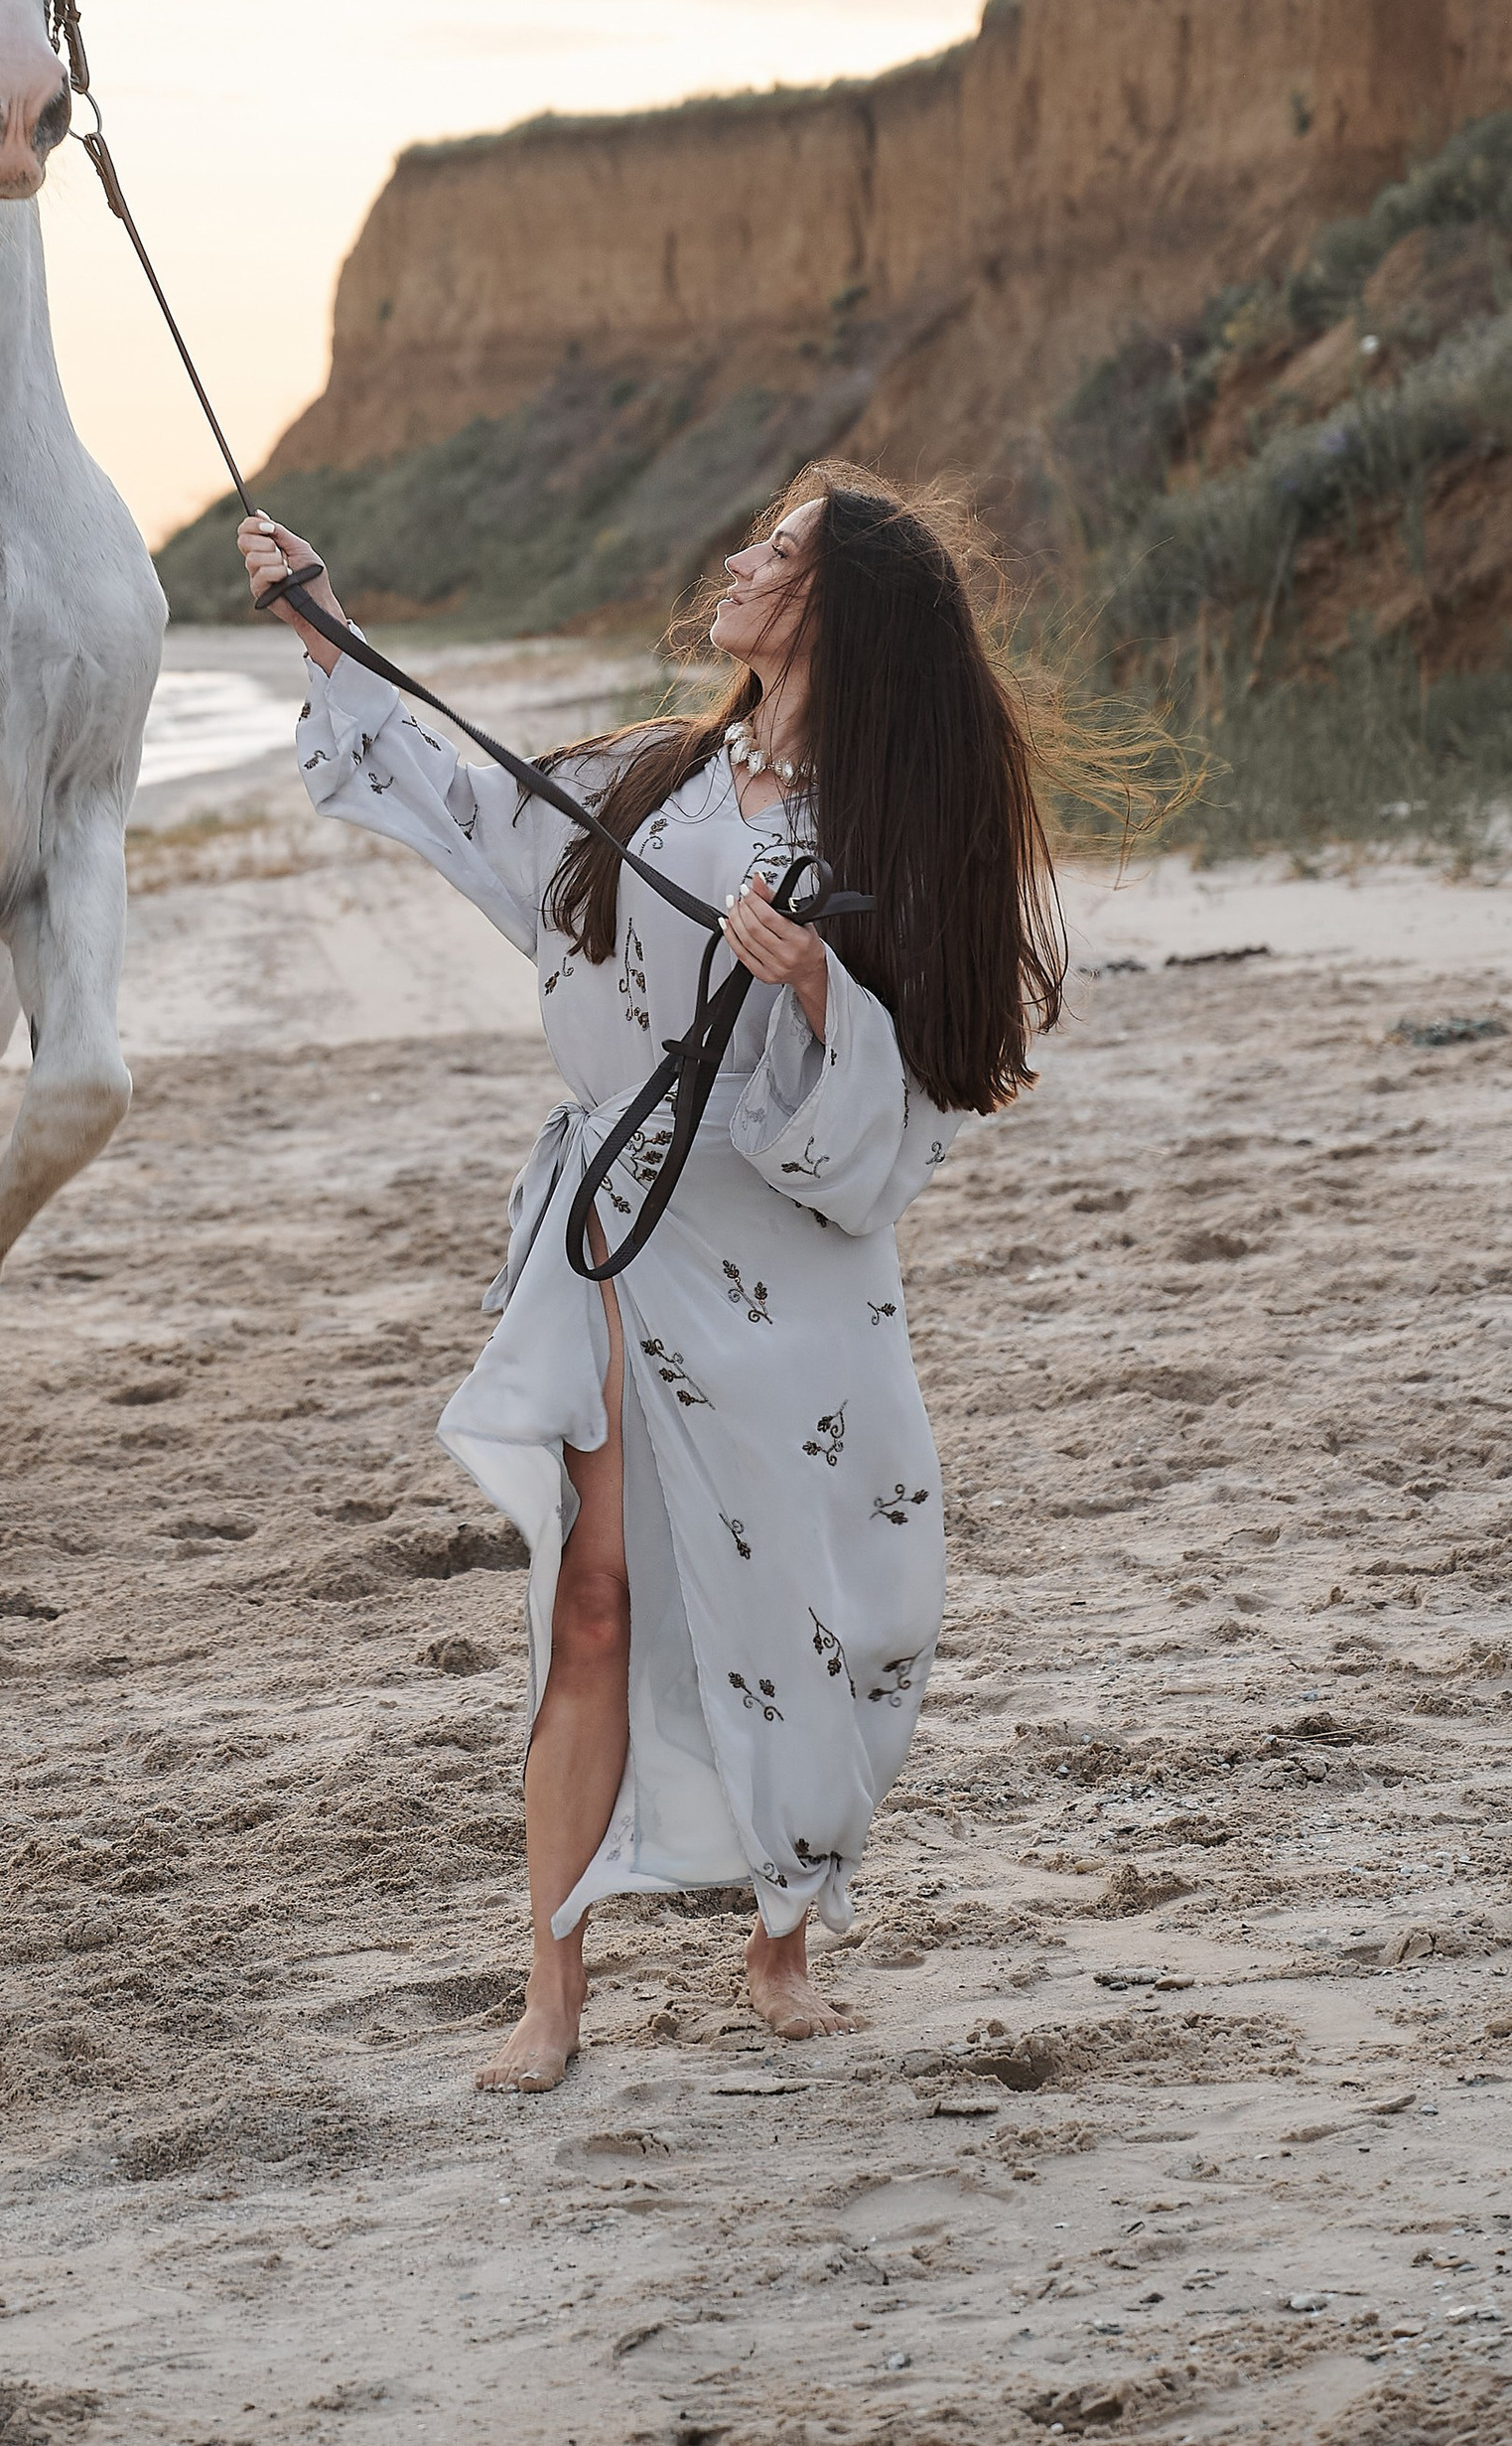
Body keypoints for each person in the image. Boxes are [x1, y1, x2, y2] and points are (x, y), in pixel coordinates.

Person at [237, 468, 1064, 2091]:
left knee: (808, 1607)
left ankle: (782, 1945)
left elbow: (915, 1111)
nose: (741, 560)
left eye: (779, 549)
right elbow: (468, 806)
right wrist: (329, 636)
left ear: (835, 610)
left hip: (797, 1272)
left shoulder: (896, 827)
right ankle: (551, 1996)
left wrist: (825, 988)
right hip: (620, 1238)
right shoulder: (649, 784)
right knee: (593, 1598)